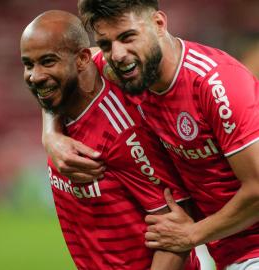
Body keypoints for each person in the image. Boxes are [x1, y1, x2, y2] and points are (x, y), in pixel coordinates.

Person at [42, 0, 259, 269]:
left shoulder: (216, 85)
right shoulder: (129, 70)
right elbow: (62, 74)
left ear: (158, 24)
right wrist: (51, 134)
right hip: (226, 249)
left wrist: (191, 234)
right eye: (106, 44)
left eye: (128, 37)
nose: (118, 54)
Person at [21, 9, 200, 270]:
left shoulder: (121, 131)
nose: (35, 76)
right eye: (28, 64)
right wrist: (50, 134)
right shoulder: (62, 109)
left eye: (48, 62)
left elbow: (177, 226)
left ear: (82, 60)